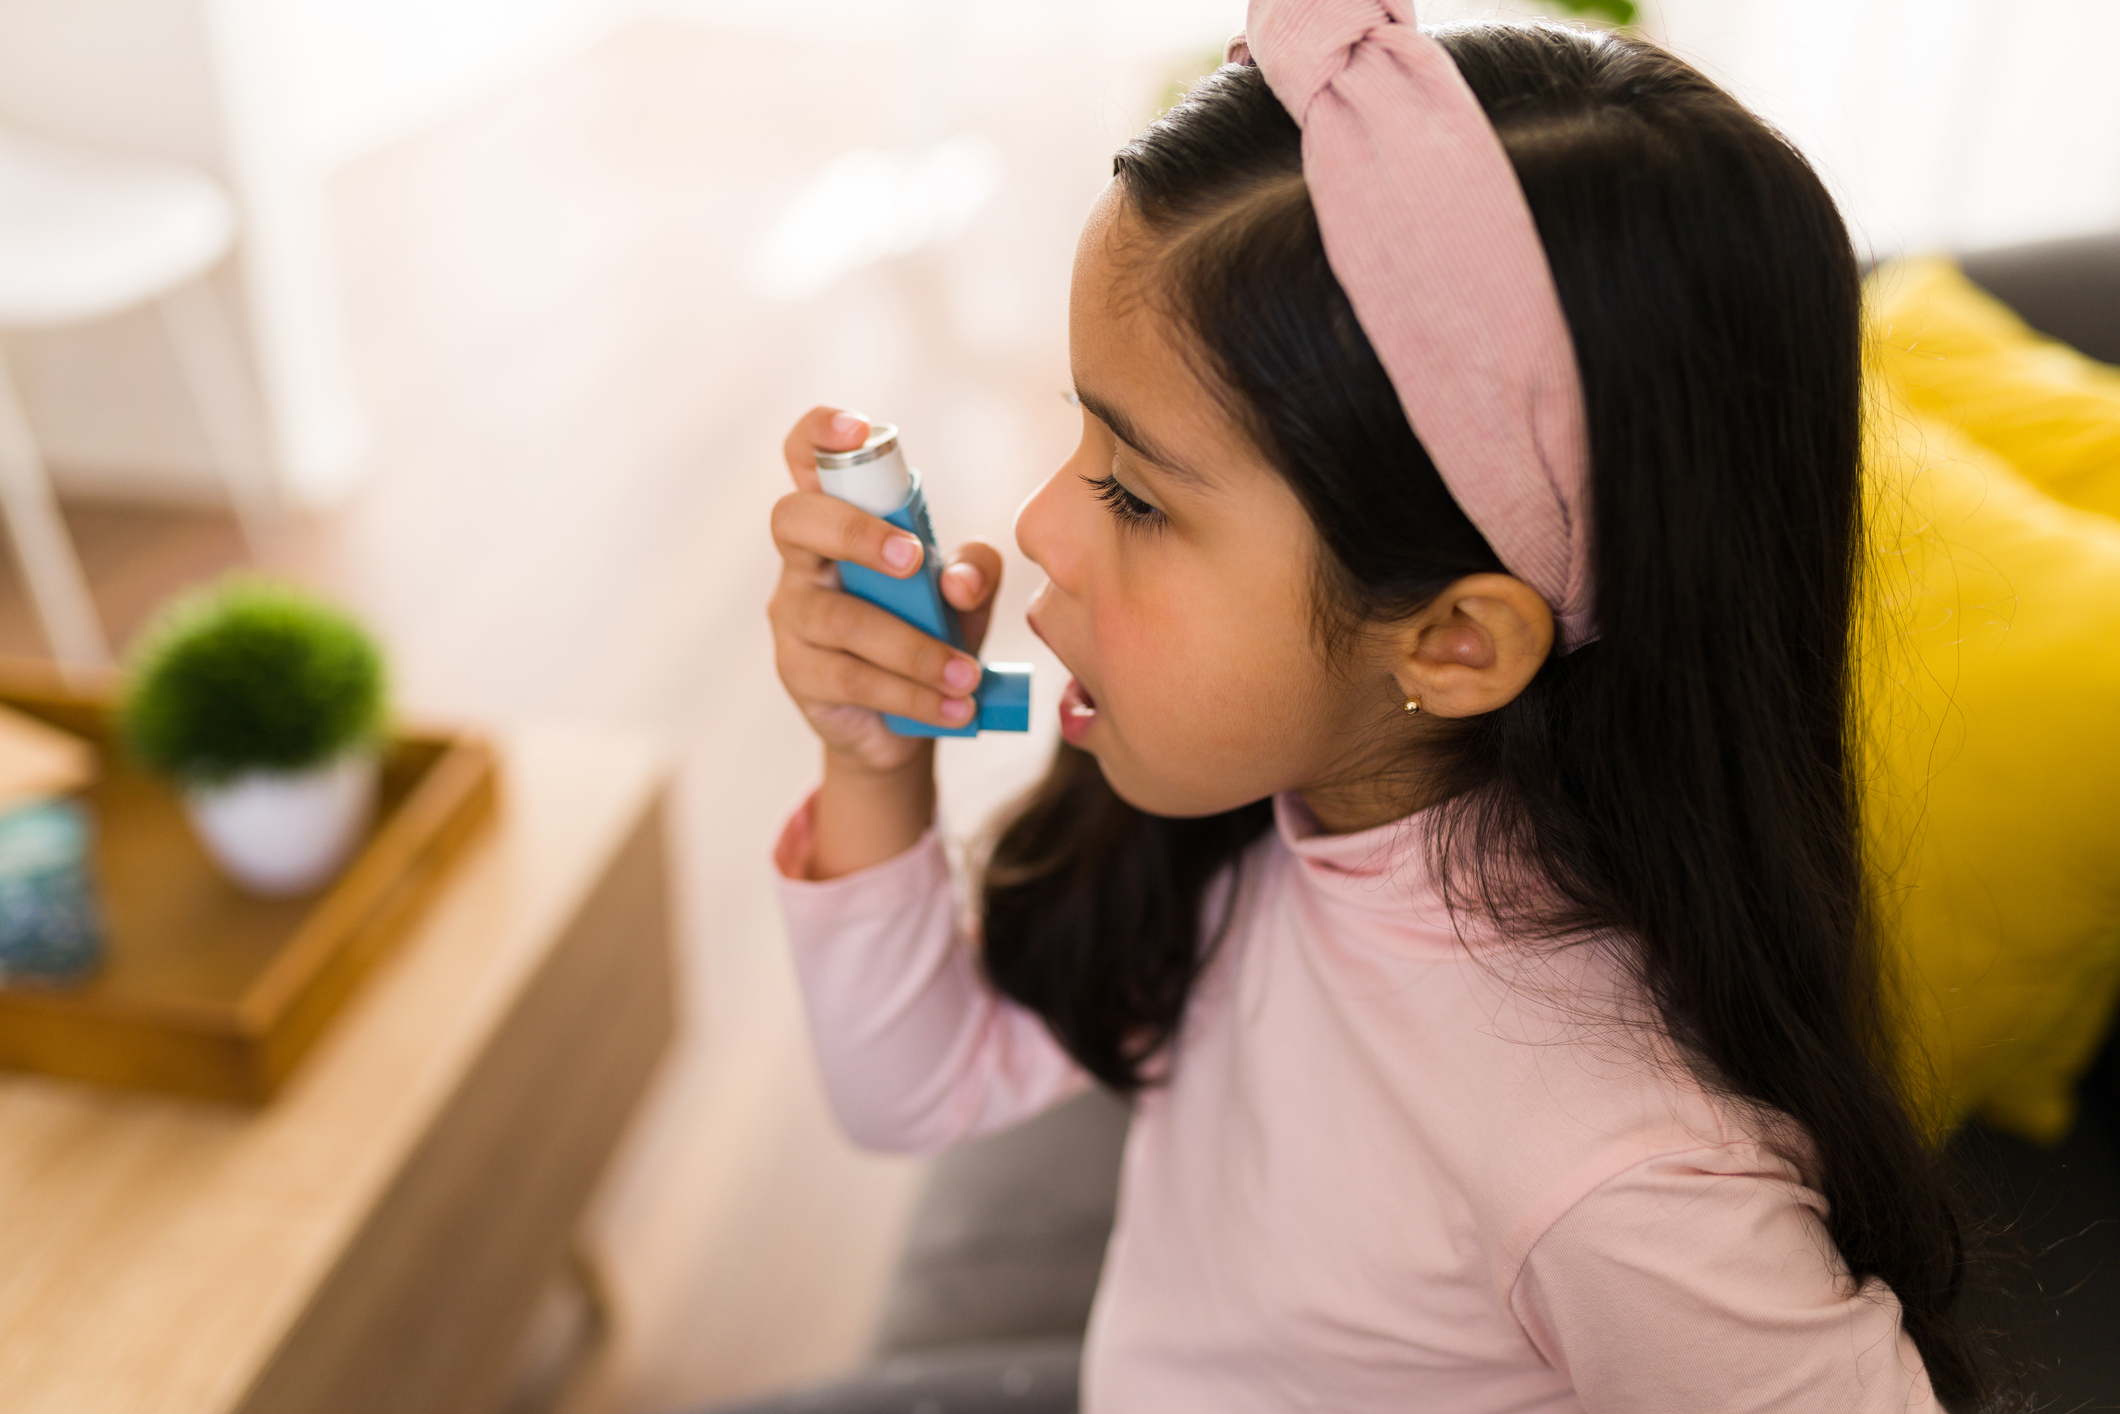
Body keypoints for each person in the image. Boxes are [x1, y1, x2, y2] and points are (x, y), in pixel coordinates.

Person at [764, 4, 1993, 1410]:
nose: (1042, 522)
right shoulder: (1271, 800)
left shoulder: (1618, 1169)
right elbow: (915, 1088)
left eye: (1138, 494)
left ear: (1457, 641)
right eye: (1083, 434)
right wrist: (876, 755)